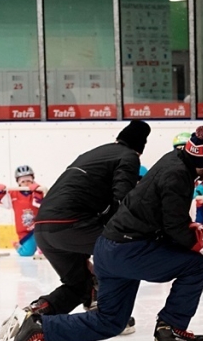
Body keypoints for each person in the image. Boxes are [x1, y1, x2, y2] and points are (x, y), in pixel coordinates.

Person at [2, 127, 203, 341]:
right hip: (127, 250)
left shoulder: (173, 161)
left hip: (107, 247)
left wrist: (194, 233)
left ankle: (40, 327)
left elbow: (165, 218)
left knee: (110, 321)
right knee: (196, 265)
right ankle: (171, 329)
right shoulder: (177, 176)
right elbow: (174, 227)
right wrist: (200, 243)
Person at [26, 121, 150, 315]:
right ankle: (113, 314)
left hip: (42, 228)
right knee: (124, 252)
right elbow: (122, 201)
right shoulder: (129, 157)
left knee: (79, 285)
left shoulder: (91, 154)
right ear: (140, 148)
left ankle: (35, 314)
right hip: (71, 225)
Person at [0, 165, 45, 257]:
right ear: (18, 182)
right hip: (24, 230)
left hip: (39, 227)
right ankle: (17, 246)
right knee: (27, 253)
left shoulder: (38, 190)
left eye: (29, 180)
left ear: (33, 180)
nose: (26, 183)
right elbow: (3, 203)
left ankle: (41, 247)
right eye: (23, 181)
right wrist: (0, 192)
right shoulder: (13, 193)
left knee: (47, 249)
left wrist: (37, 192)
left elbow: (40, 204)